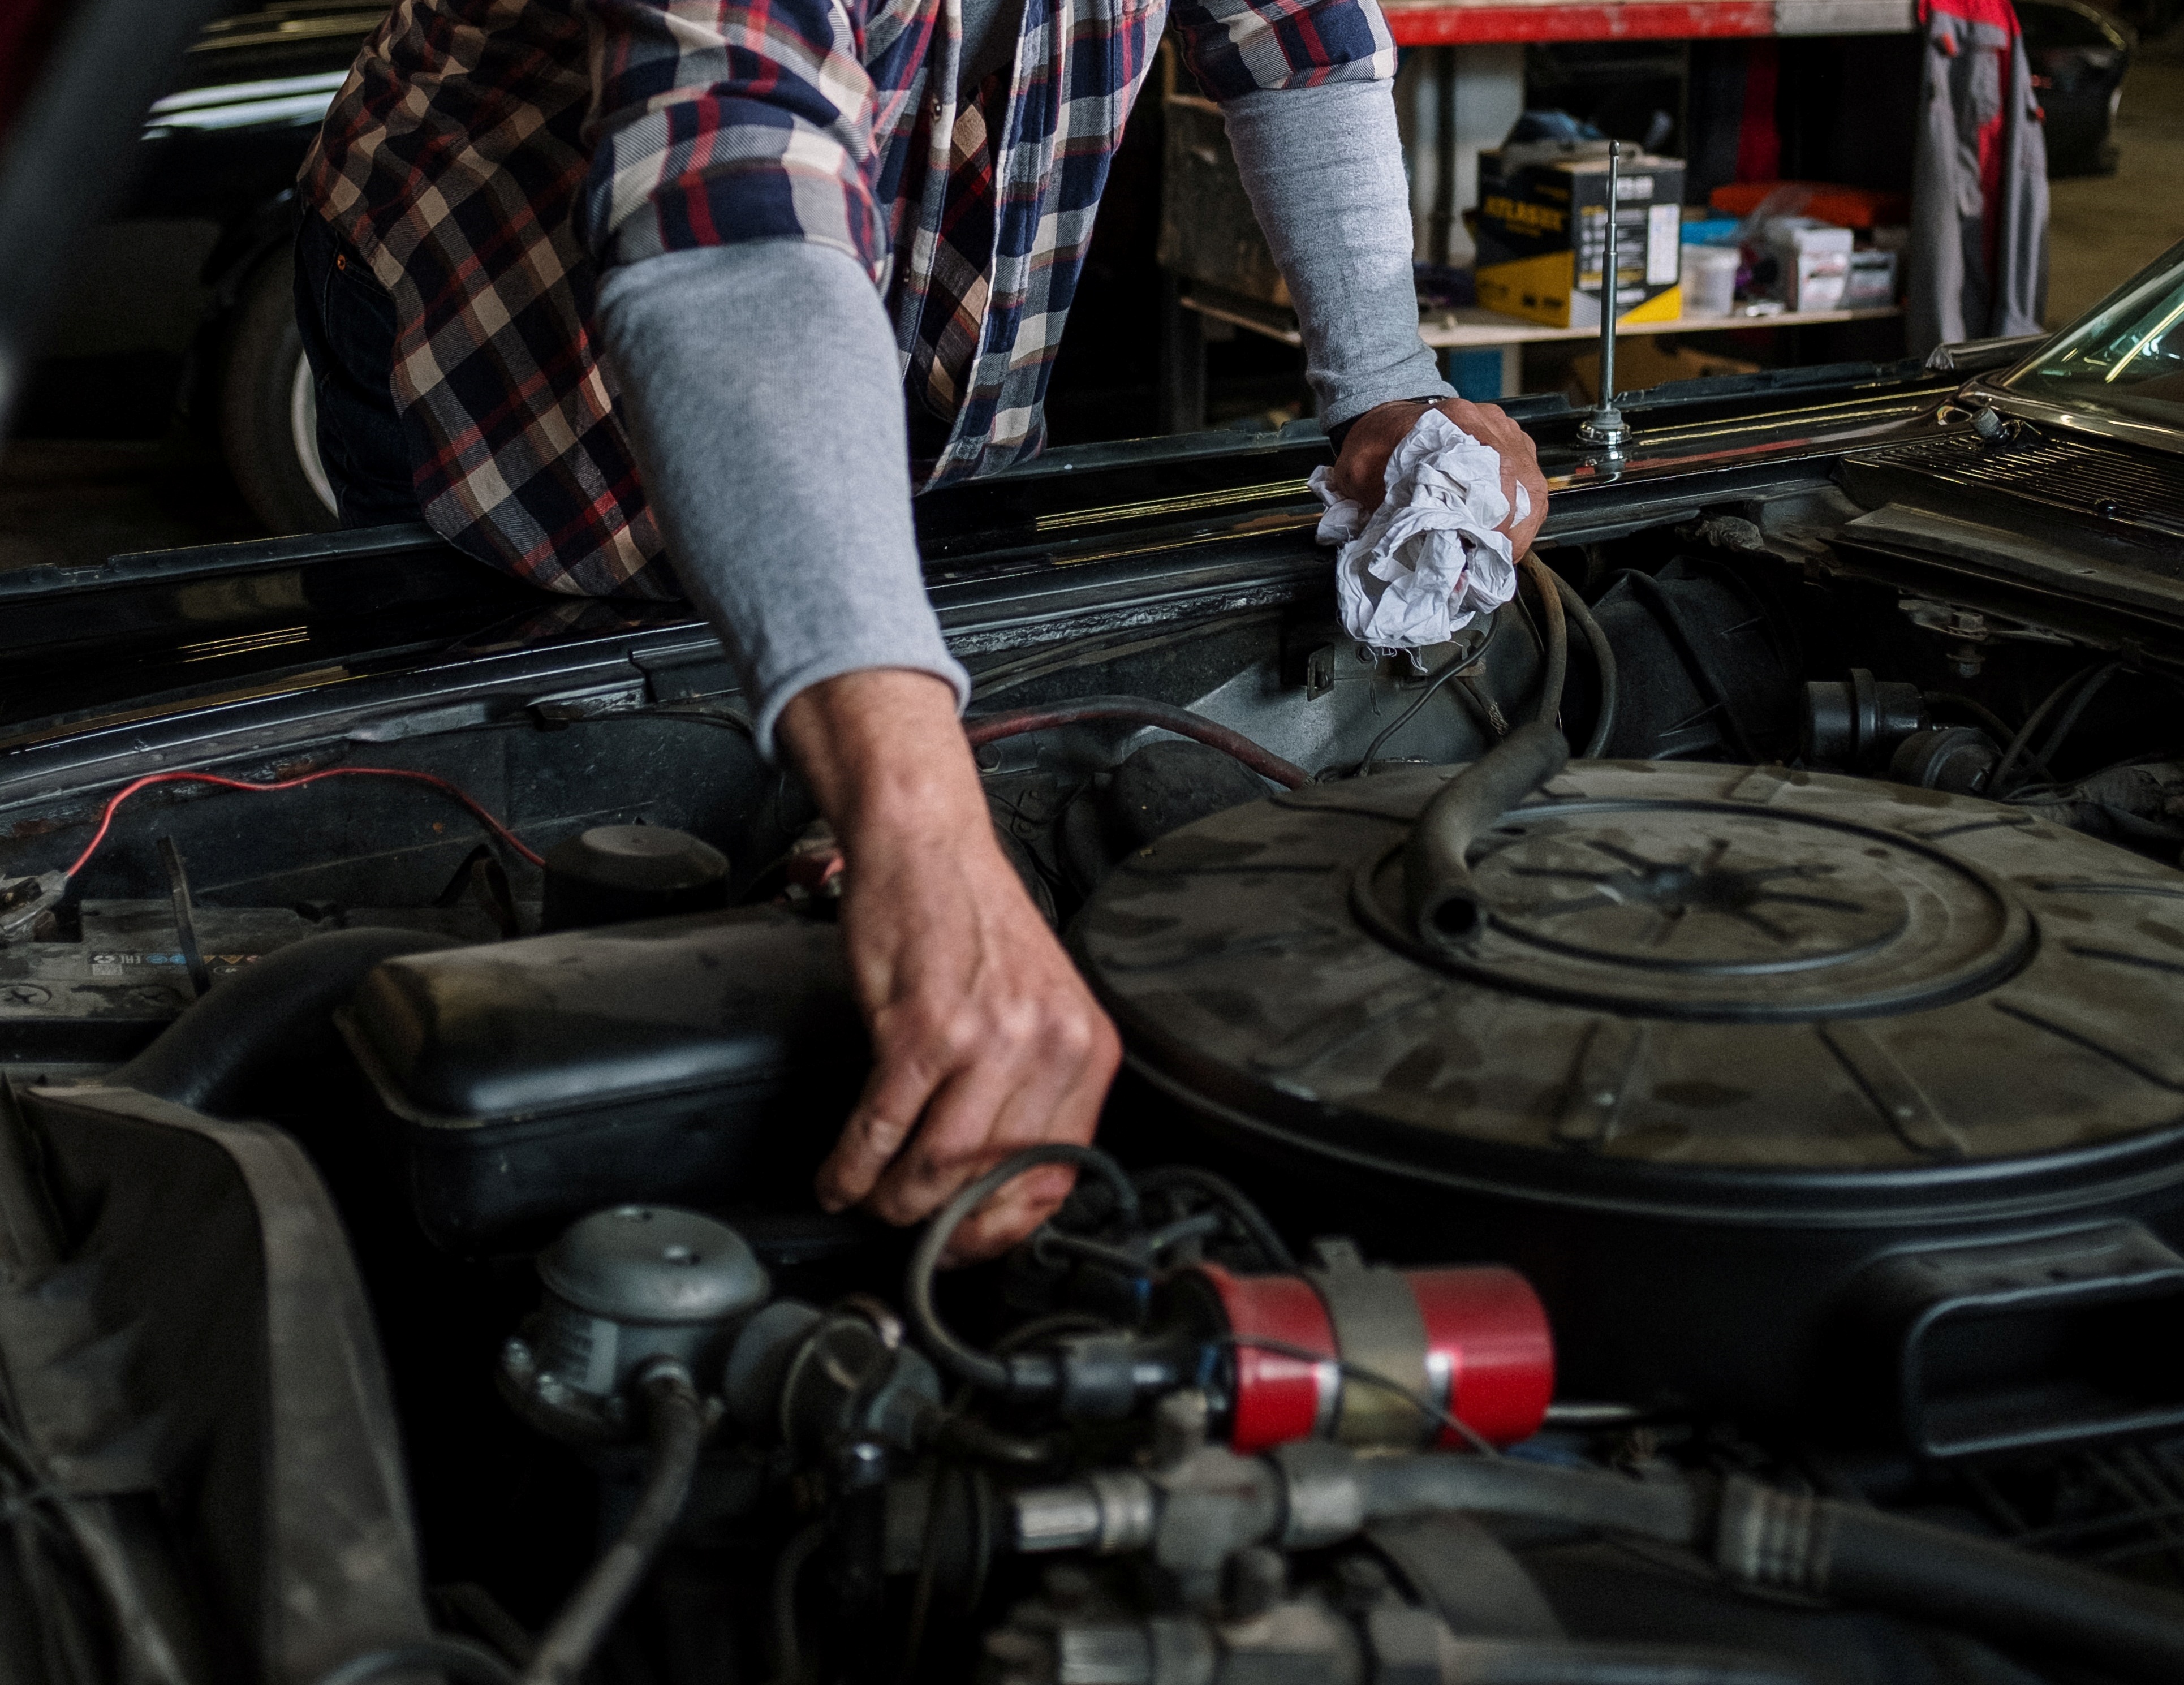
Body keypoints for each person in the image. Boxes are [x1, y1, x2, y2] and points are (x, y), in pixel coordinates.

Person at [296, 0, 1549, 1260]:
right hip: (510, 346)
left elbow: (1298, 36)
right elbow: (729, 203)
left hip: (915, 377)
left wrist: (1382, 378)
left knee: (866, 645)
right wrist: (918, 829)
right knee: (459, 849)